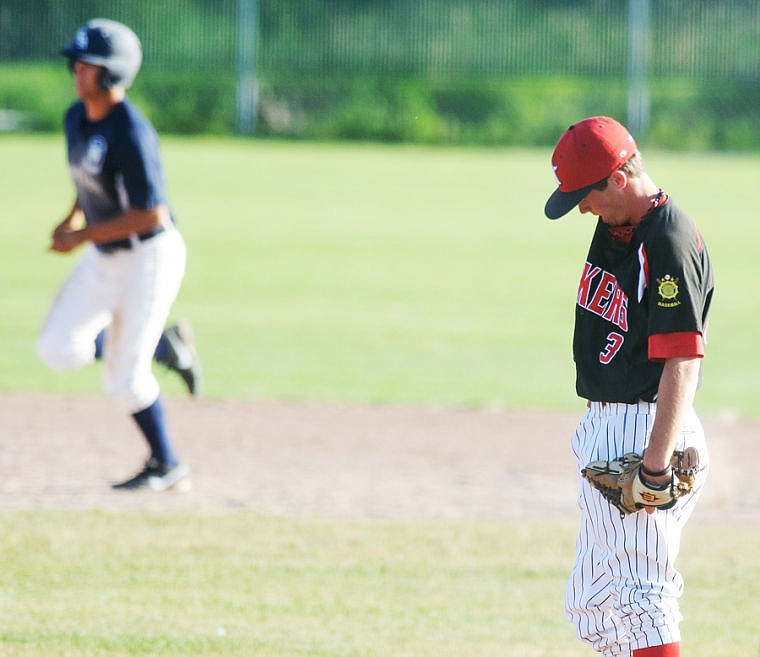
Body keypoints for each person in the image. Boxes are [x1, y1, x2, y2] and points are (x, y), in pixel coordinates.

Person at [544, 117, 714, 657]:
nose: (582, 208)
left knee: (643, 596)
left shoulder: (667, 239)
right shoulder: (621, 223)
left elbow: (683, 357)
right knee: (592, 603)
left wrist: (655, 465)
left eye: (586, 195)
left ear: (618, 178)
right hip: (607, 420)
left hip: (645, 425)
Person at [37, 18, 201, 491]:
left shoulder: (132, 132)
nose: (75, 70)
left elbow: (151, 214)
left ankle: (167, 465)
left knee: (125, 378)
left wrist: (80, 236)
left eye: (85, 64)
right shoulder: (76, 117)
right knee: (57, 347)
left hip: (148, 257)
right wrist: (72, 217)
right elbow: (88, 180)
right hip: (105, 255)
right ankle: (161, 346)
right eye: (75, 62)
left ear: (113, 73)